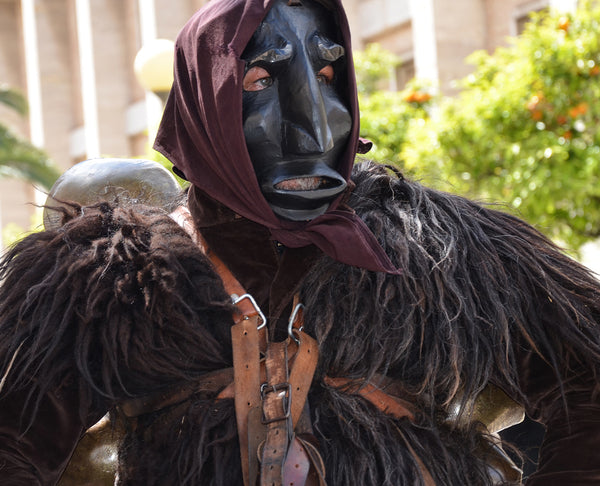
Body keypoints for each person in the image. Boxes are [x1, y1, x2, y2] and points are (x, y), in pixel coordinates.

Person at [1, 0, 599, 485]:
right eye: (260, 80)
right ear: (203, 109)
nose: (314, 125)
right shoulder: (104, 281)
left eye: (329, 76)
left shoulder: (444, 251)